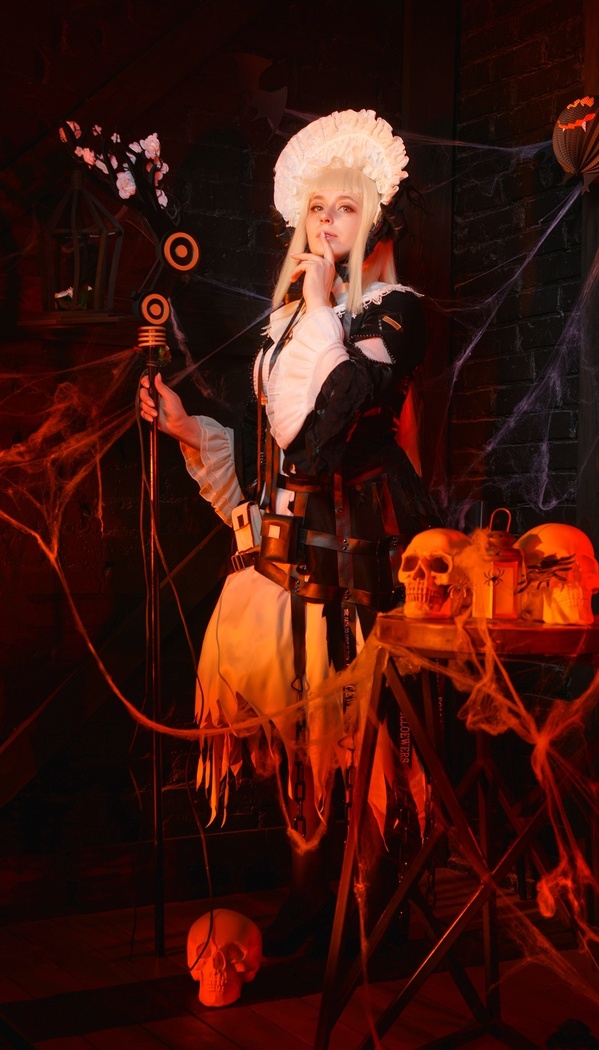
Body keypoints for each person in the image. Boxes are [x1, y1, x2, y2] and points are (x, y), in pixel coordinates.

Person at [139, 109, 439, 955]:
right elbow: (271, 452)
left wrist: (316, 310)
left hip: (360, 556)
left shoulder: (394, 316)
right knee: (302, 741)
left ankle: (375, 908)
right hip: (288, 559)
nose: (326, 222)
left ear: (378, 215)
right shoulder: (292, 325)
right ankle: (313, 903)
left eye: (344, 207)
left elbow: (327, 425)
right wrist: (187, 427)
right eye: (315, 208)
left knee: (362, 738)